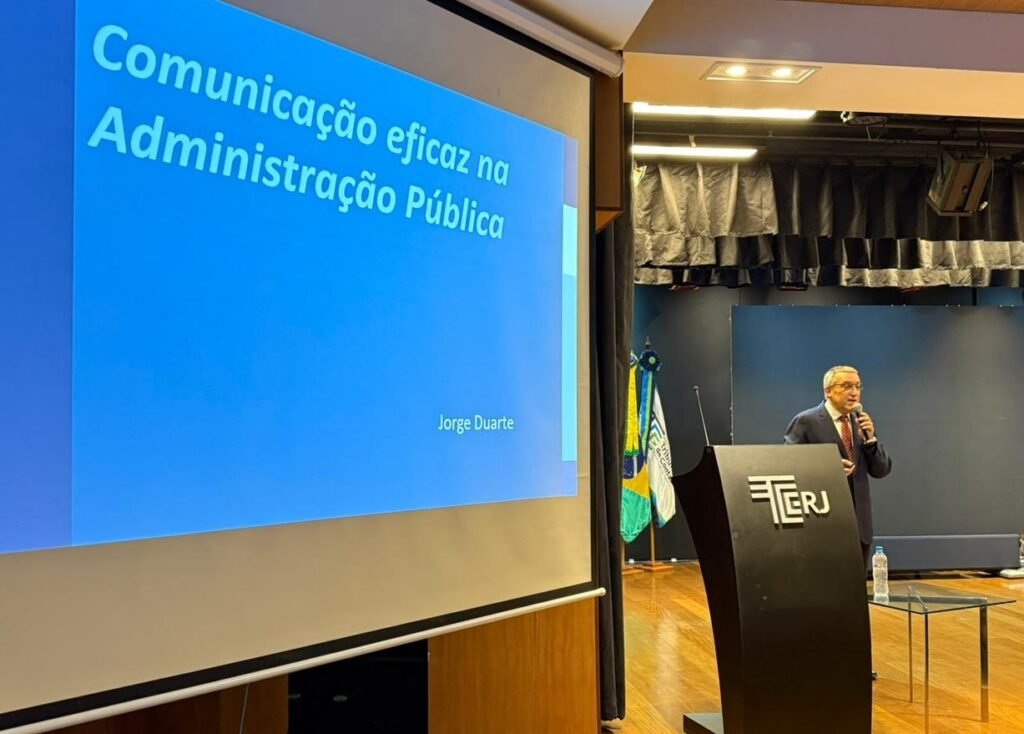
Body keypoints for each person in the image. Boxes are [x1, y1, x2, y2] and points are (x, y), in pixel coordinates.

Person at [784, 365, 892, 566]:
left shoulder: (861, 422)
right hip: (822, 523)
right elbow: (787, 466)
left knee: (856, 585)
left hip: (859, 525)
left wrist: (871, 440)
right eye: (847, 386)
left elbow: (881, 470)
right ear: (828, 391)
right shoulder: (806, 421)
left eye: (858, 386)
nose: (854, 392)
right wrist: (828, 469)